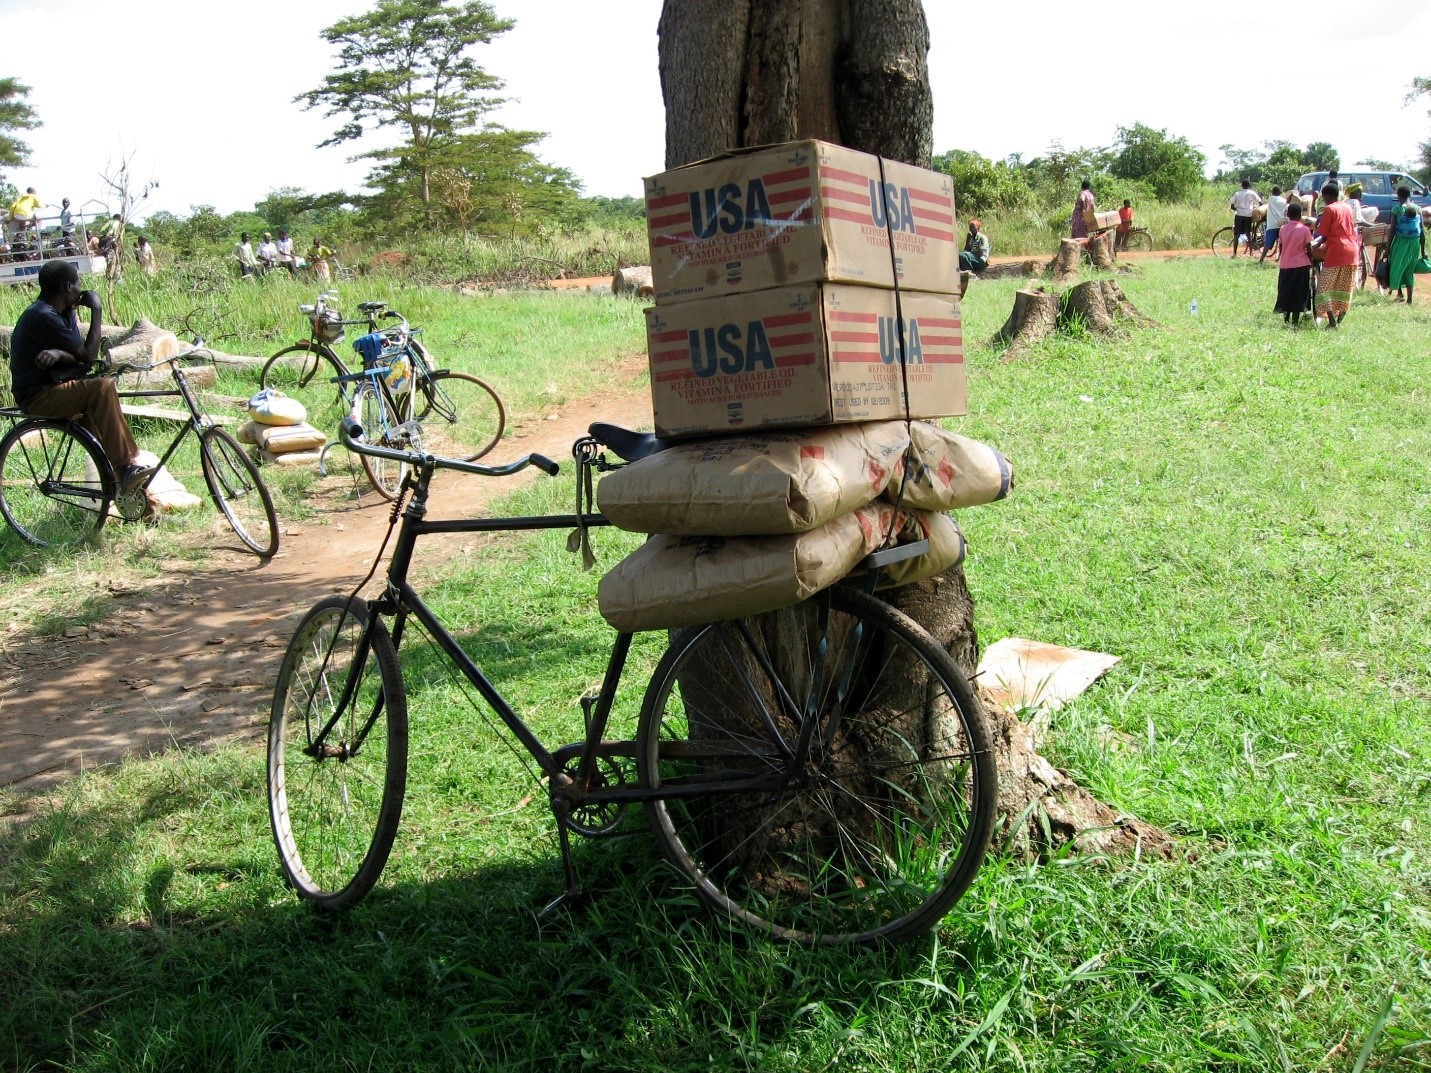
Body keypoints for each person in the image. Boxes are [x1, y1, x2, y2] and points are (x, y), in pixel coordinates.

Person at [8, 260, 153, 493]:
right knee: (102, 388)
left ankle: (132, 495)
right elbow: (87, 356)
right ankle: (126, 467)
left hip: (56, 386)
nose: (81, 289)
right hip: (37, 396)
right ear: (67, 287)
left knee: (104, 436)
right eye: (78, 284)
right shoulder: (42, 315)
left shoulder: (62, 312)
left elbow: (79, 358)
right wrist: (96, 309)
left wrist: (60, 353)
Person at [1310, 182, 1358, 328]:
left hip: (1337, 251)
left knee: (1323, 288)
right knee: (1343, 288)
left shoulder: (1330, 209)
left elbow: (1323, 235)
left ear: (1327, 196)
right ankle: (1338, 320)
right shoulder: (1347, 207)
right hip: (1352, 252)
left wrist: (1314, 245)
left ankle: (1332, 322)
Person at [1273, 202, 1314, 326]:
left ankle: (1286, 319)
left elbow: (1281, 245)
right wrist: (1310, 261)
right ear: (1300, 215)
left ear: (1288, 215)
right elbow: (1309, 248)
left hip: (1285, 265)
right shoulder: (1305, 229)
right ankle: (1295, 321)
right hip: (1301, 266)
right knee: (1299, 294)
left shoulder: (1282, 229)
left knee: (1286, 292)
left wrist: (1283, 257)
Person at [1386, 186, 1427, 304]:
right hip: (1415, 243)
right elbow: (1422, 231)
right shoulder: (1418, 209)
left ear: (1399, 196)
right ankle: (1409, 299)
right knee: (1409, 269)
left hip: (1400, 242)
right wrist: (1423, 250)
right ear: (1409, 195)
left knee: (1396, 266)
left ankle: (1399, 294)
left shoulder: (1397, 210)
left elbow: (1392, 230)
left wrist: (1388, 248)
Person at [1229, 179, 1262, 258]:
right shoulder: (1252, 193)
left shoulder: (1237, 194)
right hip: (1248, 216)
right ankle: (1251, 253)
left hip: (1239, 216)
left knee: (1236, 235)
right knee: (1248, 235)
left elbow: (1232, 205)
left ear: (1242, 186)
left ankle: (1234, 254)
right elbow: (1260, 202)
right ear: (1249, 186)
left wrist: (1238, 209)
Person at [1258, 186, 1288, 265]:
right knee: (1282, 243)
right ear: (1280, 193)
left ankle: (1261, 260)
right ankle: (1281, 260)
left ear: (1272, 193)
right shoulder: (1284, 201)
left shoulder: (1270, 199)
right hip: (1282, 224)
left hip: (1272, 224)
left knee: (1267, 244)